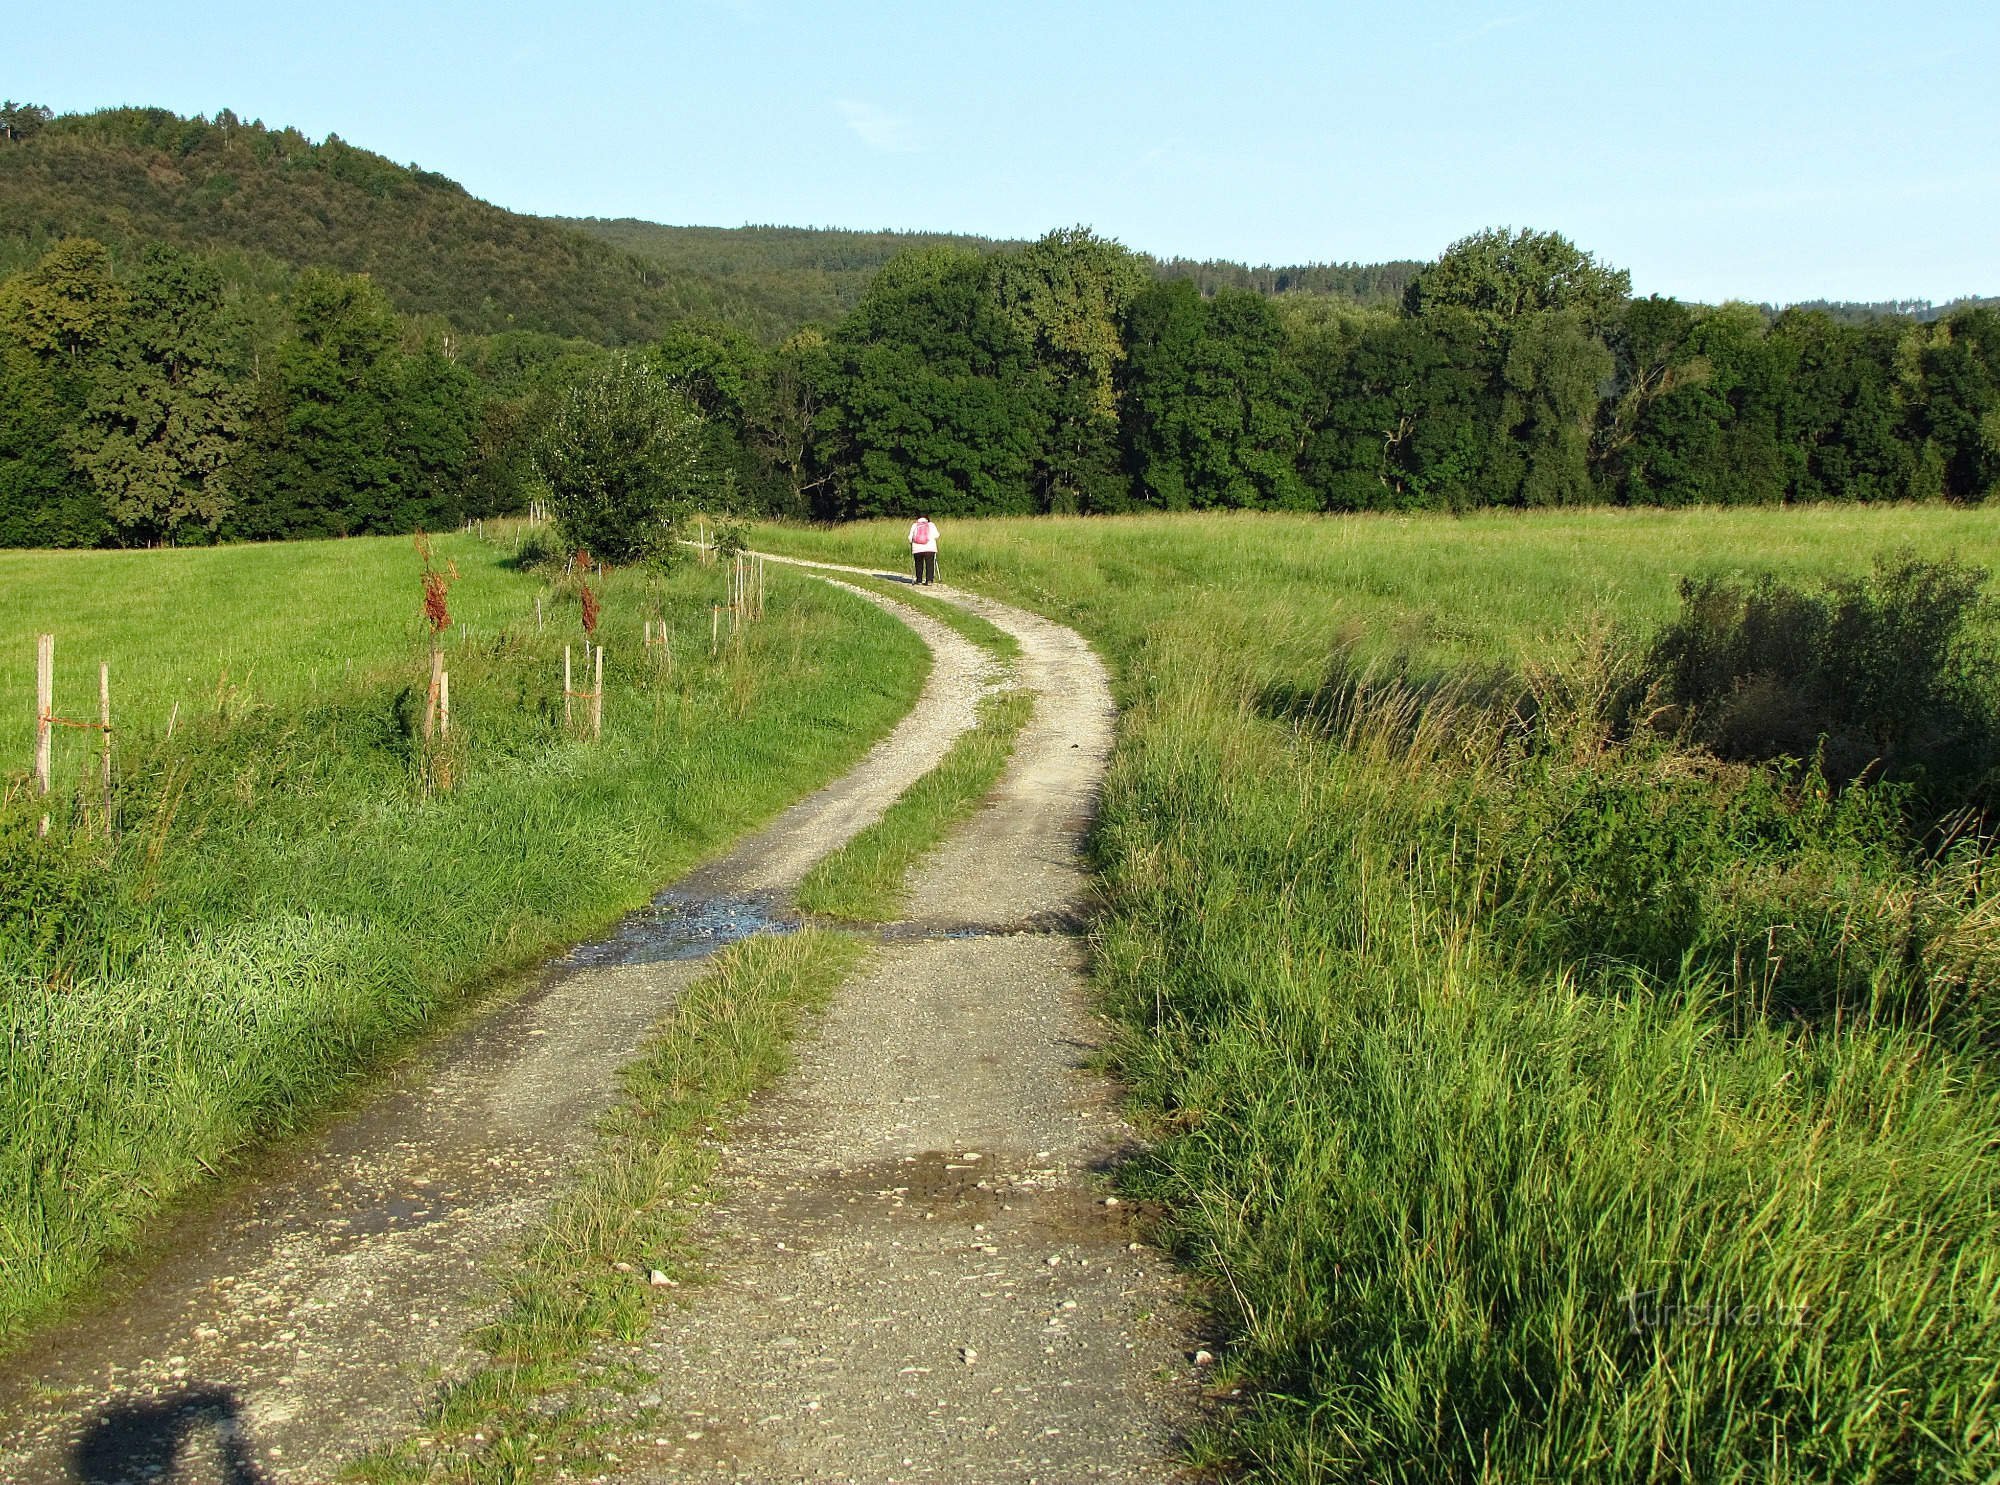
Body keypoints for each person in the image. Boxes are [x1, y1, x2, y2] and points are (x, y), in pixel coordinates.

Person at [908, 515, 939, 585]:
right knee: (930, 564)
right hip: (930, 548)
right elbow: (937, 535)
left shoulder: (914, 525)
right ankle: (929, 580)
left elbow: (910, 537)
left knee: (918, 563)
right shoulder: (931, 525)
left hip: (917, 548)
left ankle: (919, 580)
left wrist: (912, 543)